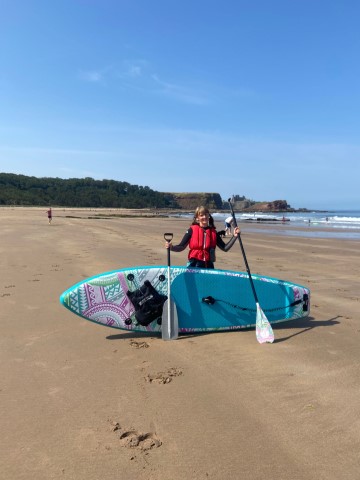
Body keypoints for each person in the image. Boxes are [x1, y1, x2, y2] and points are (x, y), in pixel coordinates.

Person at [165, 206, 240, 269]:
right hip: (194, 265)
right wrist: (171, 247)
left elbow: (225, 248)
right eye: (201, 215)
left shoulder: (213, 232)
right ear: (197, 218)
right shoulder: (192, 230)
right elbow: (181, 246)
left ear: (209, 216)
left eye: (206, 214)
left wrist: (234, 236)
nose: (204, 217)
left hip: (209, 266)